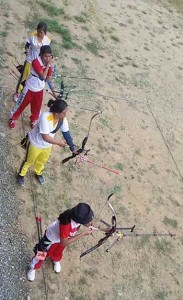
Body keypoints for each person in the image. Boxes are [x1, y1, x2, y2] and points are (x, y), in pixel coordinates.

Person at [27, 203, 96, 282]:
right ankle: (33, 267)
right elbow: (64, 242)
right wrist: (83, 234)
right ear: (80, 220)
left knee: (58, 251)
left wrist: (106, 229)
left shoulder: (76, 216)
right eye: (88, 221)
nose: (90, 222)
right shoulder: (66, 224)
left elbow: (62, 243)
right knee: (41, 255)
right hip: (50, 239)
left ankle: (55, 259)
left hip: (62, 239)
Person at [17, 98, 76, 187]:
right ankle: (21, 174)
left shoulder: (62, 119)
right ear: (56, 113)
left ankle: (38, 172)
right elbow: (45, 137)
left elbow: (66, 133)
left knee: (42, 160)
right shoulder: (45, 117)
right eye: (64, 112)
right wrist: (58, 143)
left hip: (47, 145)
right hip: (35, 143)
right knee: (28, 160)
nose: (65, 114)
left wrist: (73, 148)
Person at [9, 45, 55, 129]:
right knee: (21, 104)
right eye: (45, 56)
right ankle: (13, 118)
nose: (47, 58)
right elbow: (43, 77)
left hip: (40, 89)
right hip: (29, 88)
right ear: (41, 54)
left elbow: (48, 79)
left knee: (37, 108)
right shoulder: (35, 61)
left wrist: (50, 67)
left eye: (49, 56)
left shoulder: (48, 65)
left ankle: (34, 120)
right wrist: (48, 65)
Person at [14, 22, 51, 102]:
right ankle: (18, 93)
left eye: (41, 32)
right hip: (30, 60)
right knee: (24, 77)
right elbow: (27, 45)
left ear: (45, 32)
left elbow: (47, 51)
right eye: (38, 31)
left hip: (39, 62)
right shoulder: (32, 36)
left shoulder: (47, 40)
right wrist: (27, 50)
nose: (39, 33)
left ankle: (29, 93)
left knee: (36, 78)